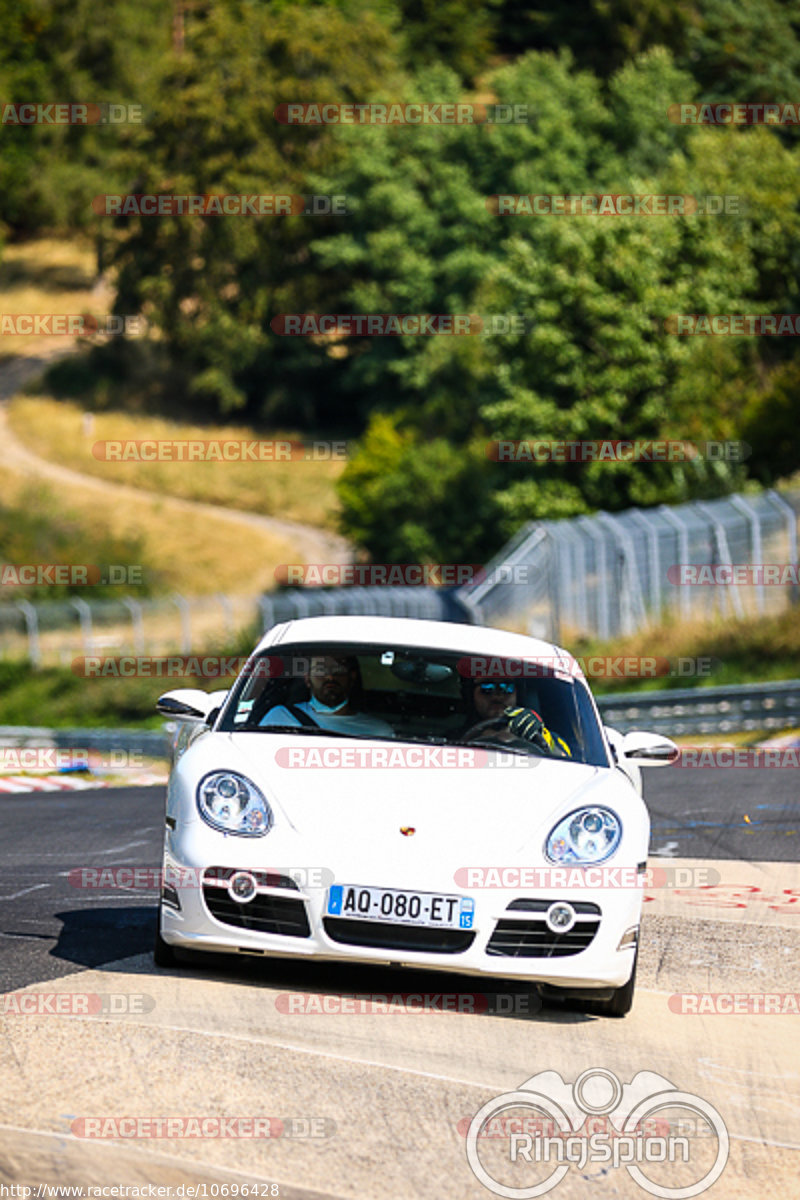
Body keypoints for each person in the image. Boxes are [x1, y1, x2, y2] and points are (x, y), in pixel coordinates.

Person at [259, 653, 393, 738]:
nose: (329, 676)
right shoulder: (279, 717)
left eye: (338, 669)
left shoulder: (379, 731)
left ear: (352, 677)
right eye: (320, 670)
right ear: (307, 679)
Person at [457, 679, 572, 758]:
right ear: (471, 694)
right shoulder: (454, 737)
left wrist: (541, 734)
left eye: (507, 687)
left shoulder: (548, 737)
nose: (497, 695)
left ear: (518, 693)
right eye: (487, 688)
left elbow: (569, 763)